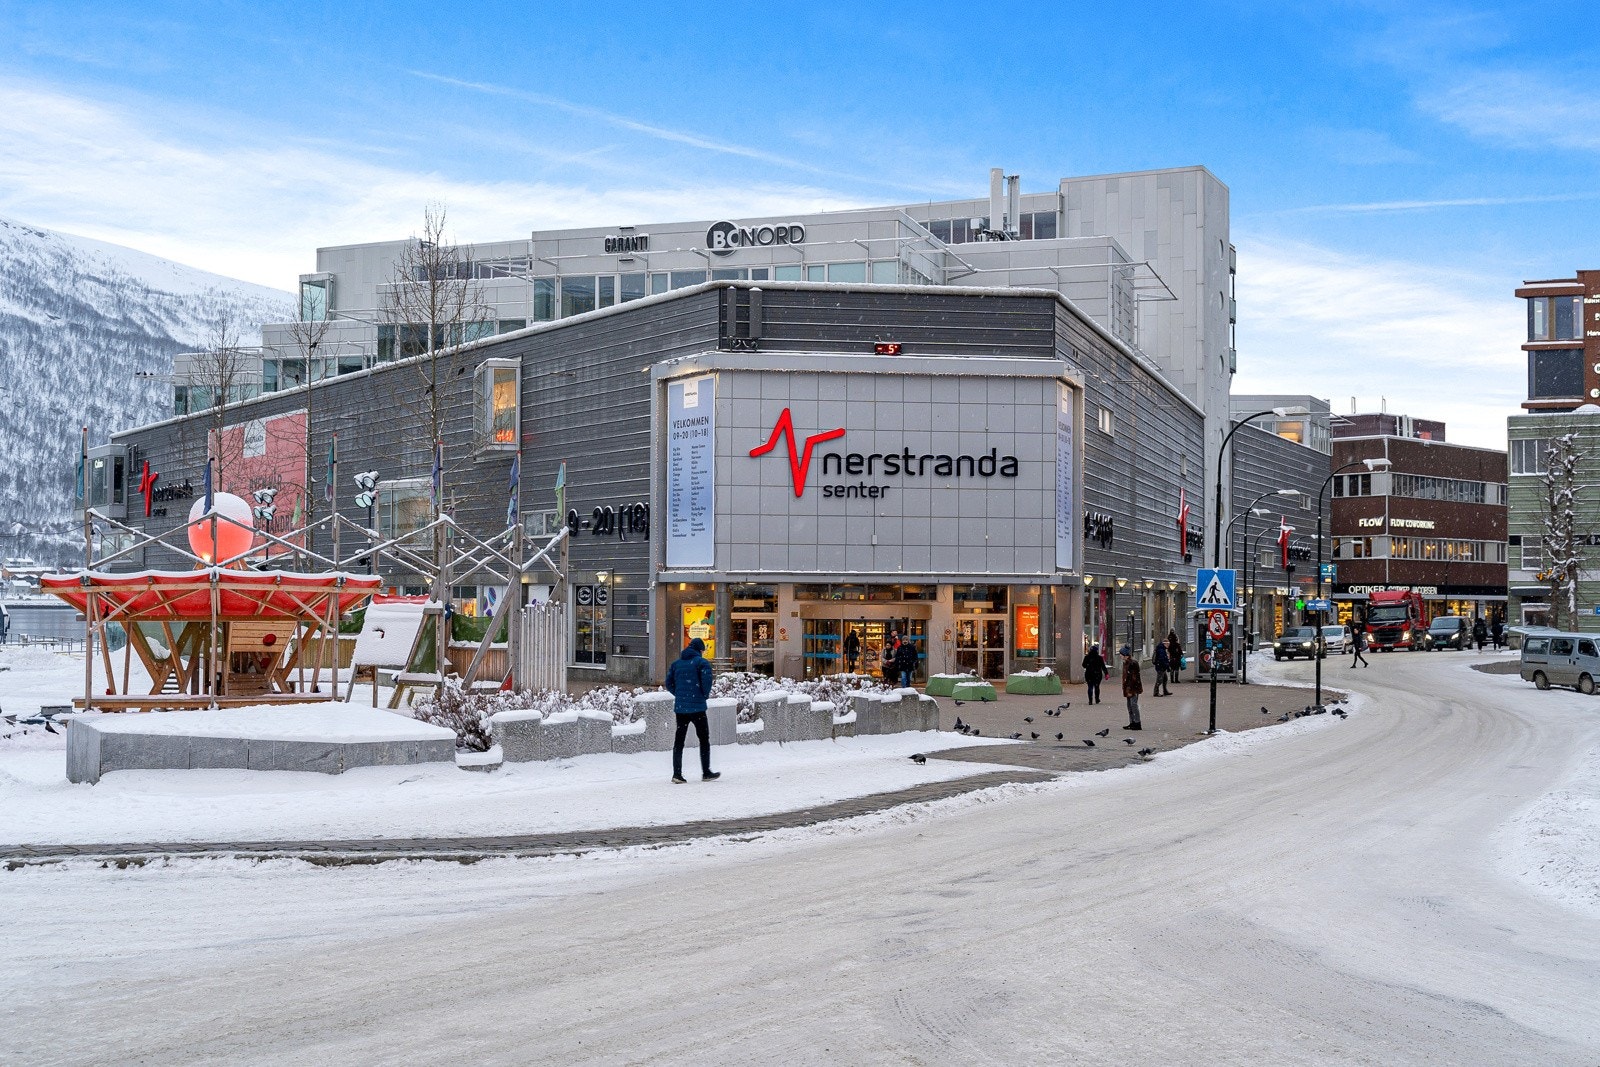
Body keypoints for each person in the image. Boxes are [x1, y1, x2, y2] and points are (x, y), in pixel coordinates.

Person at [663, 637, 719, 784]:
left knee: (679, 741)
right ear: (700, 650)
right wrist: (703, 695)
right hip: (698, 708)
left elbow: (669, 683)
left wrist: (680, 695)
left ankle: (677, 774)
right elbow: (706, 683)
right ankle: (706, 772)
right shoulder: (701, 663)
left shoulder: (676, 664)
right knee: (704, 739)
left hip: (681, 709)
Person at [1119, 645, 1142, 730]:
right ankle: (1132, 722)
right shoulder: (1126, 663)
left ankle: (1137, 723)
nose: (1120, 656)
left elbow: (1134, 677)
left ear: (1126, 655)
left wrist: (1131, 687)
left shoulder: (1132, 663)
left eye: (1121, 654)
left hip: (1133, 688)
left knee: (1133, 705)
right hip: (1128, 688)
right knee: (1129, 706)